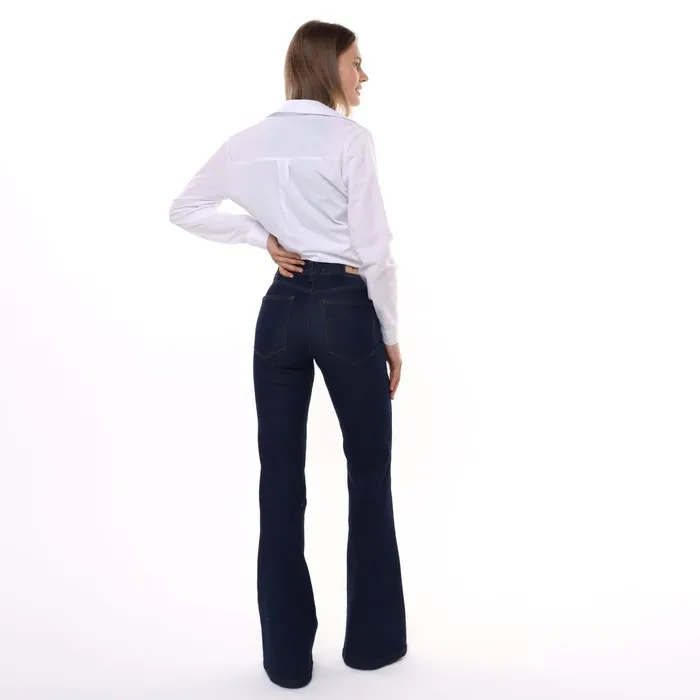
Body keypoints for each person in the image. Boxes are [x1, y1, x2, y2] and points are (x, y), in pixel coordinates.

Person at [168, 19, 406, 689]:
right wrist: (390, 334)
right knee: (368, 474)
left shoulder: (248, 142)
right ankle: (372, 647)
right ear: (328, 67)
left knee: (279, 482)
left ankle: (286, 662)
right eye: (356, 63)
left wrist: (262, 237)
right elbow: (376, 249)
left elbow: (185, 207)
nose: (364, 75)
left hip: (280, 310)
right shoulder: (351, 140)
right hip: (346, 309)